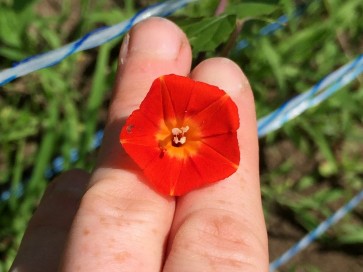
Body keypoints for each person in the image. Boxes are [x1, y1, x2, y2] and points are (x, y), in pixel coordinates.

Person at [10, 17, 268, 271]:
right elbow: (156, 105)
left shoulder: (197, 141)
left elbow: (218, 155)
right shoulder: (167, 120)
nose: (178, 136)